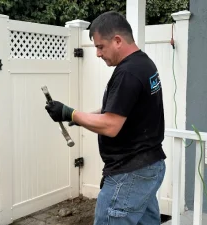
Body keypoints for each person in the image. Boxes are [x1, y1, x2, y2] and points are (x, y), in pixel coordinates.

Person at [45, 11, 166, 225]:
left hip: (130, 172)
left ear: (118, 40)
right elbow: (123, 111)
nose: (98, 54)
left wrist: (69, 113)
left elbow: (111, 126)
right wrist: (80, 117)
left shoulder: (127, 72)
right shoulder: (144, 64)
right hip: (149, 166)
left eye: (101, 47)